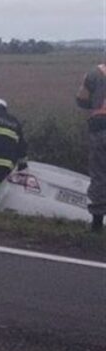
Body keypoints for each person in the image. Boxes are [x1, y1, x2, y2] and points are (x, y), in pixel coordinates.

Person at [76, 63, 106, 233]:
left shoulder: (95, 73)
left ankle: (97, 224)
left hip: (100, 128)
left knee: (100, 174)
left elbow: (81, 99)